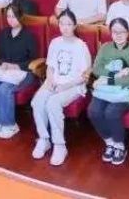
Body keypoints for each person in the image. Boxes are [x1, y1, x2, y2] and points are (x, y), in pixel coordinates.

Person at [30, 11, 92, 166]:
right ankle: (44, 139)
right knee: (37, 101)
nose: (65, 27)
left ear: (75, 26)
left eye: (69, 24)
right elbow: (50, 67)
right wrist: (50, 81)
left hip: (74, 85)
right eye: (62, 24)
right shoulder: (55, 42)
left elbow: (84, 76)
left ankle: (59, 145)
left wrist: (64, 86)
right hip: (54, 82)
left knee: (53, 103)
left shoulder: (81, 46)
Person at [88, 17, 129, 165]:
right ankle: (110, 142)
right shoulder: (105, 48)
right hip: (106, 90)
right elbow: (96, 69)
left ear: (128, 33)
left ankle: (120, 146)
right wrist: (116, 74)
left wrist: (108, 80)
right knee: (93, 111)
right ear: (110, 33)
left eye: (122, 32)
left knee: (111, 112)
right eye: (115, 32)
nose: (118, 35)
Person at [0, 5, 39, 140]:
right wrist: (3, 63)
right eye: (8, 16)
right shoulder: (4, 33)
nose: (10, 19)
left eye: (14, 16)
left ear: (20, 17)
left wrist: (16, 66)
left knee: (4, 89)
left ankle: (9, 124)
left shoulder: (29, 36)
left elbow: (33, 59)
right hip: (6, 71)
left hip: (24, 72)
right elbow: (0, 55)